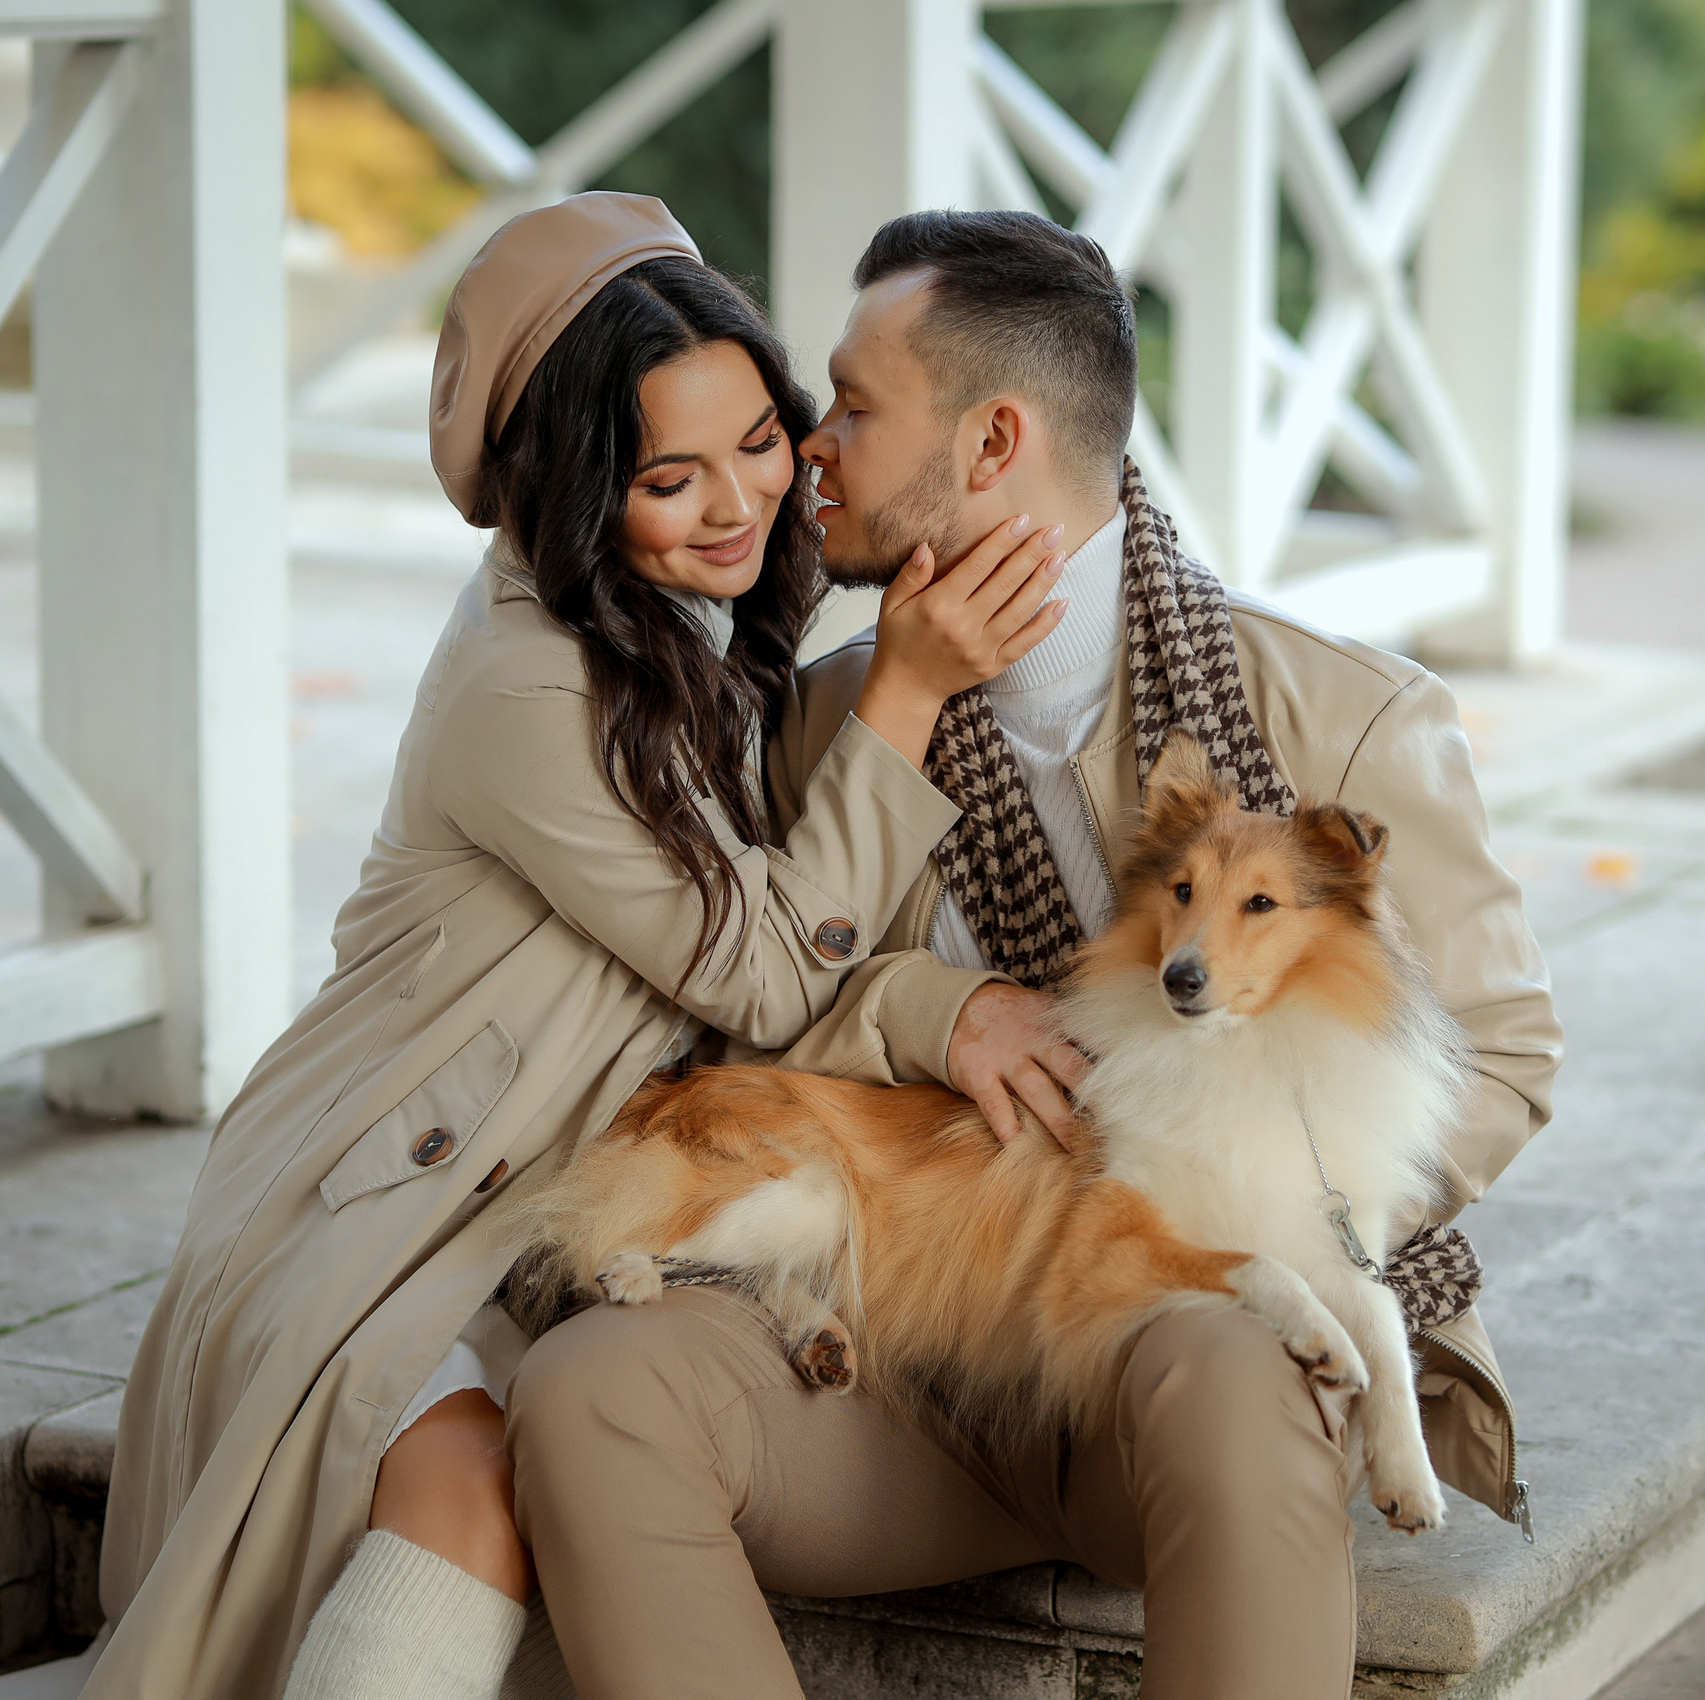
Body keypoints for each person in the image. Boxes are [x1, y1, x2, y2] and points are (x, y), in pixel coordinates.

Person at [503, 210, 1564, 1700]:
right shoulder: (824, 716)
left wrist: (1229, 1189)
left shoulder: (1350, 718)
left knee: (1231, 1363)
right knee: (590, 1389)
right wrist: (937, 1011)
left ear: (993, 443)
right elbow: (750, 998)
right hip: (901, 1354)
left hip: (1174, 1351)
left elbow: (1509, 1058)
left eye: (856, 409)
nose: (810, 450)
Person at [81, 194, 1073, 1700]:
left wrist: (944, 1008)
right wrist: (909, 694)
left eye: (759, 440)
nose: (742, 502)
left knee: (566, 1455)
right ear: (578, 490)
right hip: (382, 1216)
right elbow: (758, 970)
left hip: (544, 1213)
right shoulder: (528, 687)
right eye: (673, 477)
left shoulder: (697, 631)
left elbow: (767, 971)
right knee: (476, 1485)